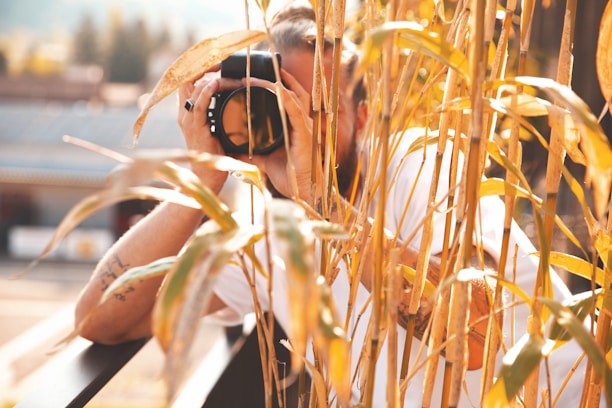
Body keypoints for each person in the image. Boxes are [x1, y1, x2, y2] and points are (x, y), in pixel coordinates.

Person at [74, 2, 587, 406]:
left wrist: (320, 199)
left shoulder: (420, 163)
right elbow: (100, 319)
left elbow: (472, 337)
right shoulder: (268, 236)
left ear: (362, 117)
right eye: (277, 103)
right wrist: (201, 182)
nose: (295, 122)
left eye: (314, 106)